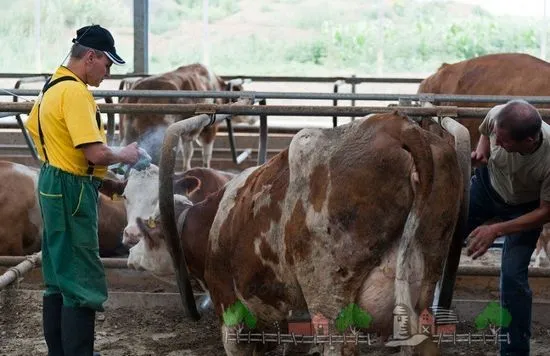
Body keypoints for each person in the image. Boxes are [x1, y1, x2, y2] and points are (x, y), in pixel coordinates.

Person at [24, 25, 140, 356]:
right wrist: (125, 155)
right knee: (81, 277)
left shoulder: (52, 86)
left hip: (51, 181)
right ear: (90, 57)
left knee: (59, 275)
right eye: (107, 64)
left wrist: (102, 180)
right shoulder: (75, 92)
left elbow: (46, 137)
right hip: (71, 191)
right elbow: (95, 152)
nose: (108, 72)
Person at [466, 99, 550, 356]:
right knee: (440, 242)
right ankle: (430, 316)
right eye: (496, 137)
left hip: (526, 209)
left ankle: (514, 352)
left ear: (529, 142)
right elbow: (486, 130)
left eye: (504, 142)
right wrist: (482, 151)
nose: (497, 143)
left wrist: (496, 229)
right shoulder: (499, 116)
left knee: (513, 276)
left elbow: (546, 211)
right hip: (486, 188)